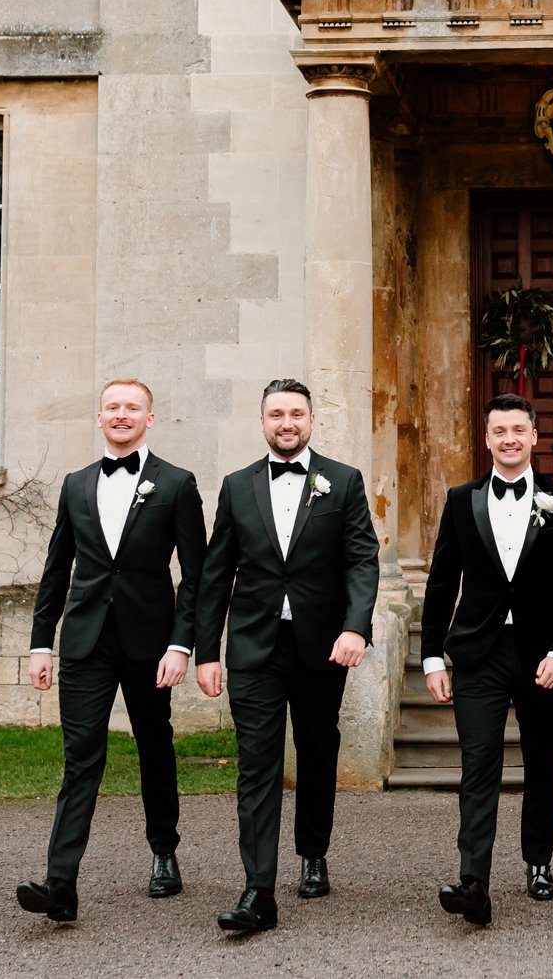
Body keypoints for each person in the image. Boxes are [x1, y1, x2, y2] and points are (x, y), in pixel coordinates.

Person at [17, 379, 208, 921]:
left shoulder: (176, 483)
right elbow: (57, 568)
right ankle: (61, 884)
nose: (121, 415)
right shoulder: (76, 484)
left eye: (132, 408)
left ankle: (164, 851)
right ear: (98, 418)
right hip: (85, 641)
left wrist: (181, 644)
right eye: (112, 407)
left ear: (151, 418)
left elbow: (195, 576)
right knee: (81, 758)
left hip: (152, 643)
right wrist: (40, 643)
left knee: (154, 745)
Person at [196, 378, 380, 934]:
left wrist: (356, 628)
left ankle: (313, 850)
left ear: (310, 421)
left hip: (322, 645)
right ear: (262, 422)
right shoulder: (236, 486)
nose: (286, 423)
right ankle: (258, 889)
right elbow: (214, 574)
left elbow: (362, 561)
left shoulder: (342, 482)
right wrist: (207, 651)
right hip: (254, 646)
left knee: (319, 749)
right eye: (276, 414)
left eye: (296, 414)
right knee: (257, 763)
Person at [422, 392, 553, 926]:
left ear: (534, 437)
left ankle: (539, 862)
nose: (510, 438)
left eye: (519, 429)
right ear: (487, 439)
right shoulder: (459, 500)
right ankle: (475, 880)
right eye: (500, 431)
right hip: (478, 652)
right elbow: (442, 582)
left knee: (543, 760)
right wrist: (431, 657)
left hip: (543, 654)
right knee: (479, 763)